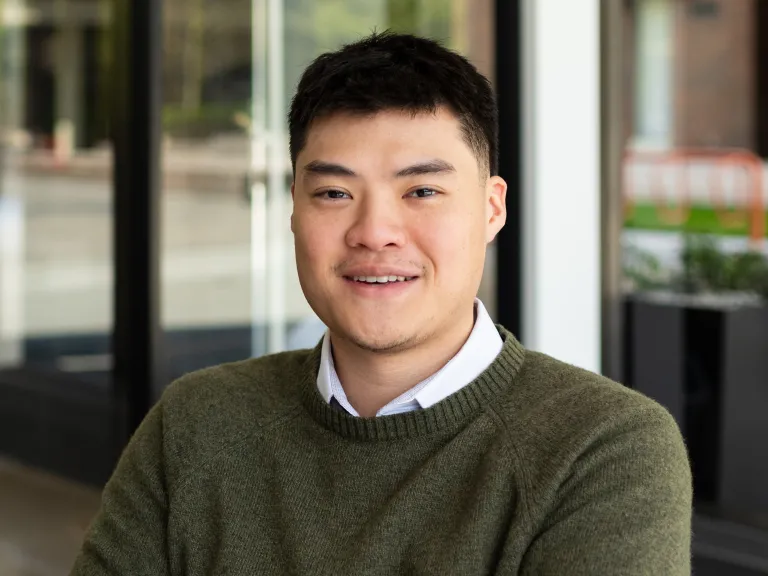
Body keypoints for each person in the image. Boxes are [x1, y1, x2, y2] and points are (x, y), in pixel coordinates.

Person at [70, 32, 692, 575]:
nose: (374, 231)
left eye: (421, 190)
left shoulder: (603, 449)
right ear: (294, 208)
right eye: (336, 192)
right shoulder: (195, 425)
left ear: (492, 208)